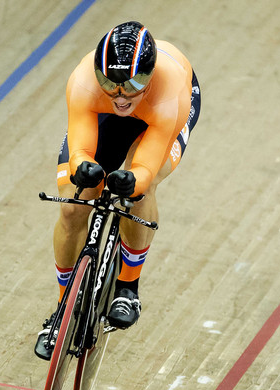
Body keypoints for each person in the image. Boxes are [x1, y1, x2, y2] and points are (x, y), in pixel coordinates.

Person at [35, 21, 200, 360]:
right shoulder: (84, 82)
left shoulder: (170, 93)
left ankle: (128, 287)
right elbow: (81, 146)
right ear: (98, 73)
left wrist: (133, 181)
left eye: (133, 83)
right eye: (110, 82)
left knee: (139, 188)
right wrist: (84, 166)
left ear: (150, 77)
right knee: (73, 206)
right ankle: (63, 311)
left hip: (158, 118)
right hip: (103, 115)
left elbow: (145, 166)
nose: (121, 94)